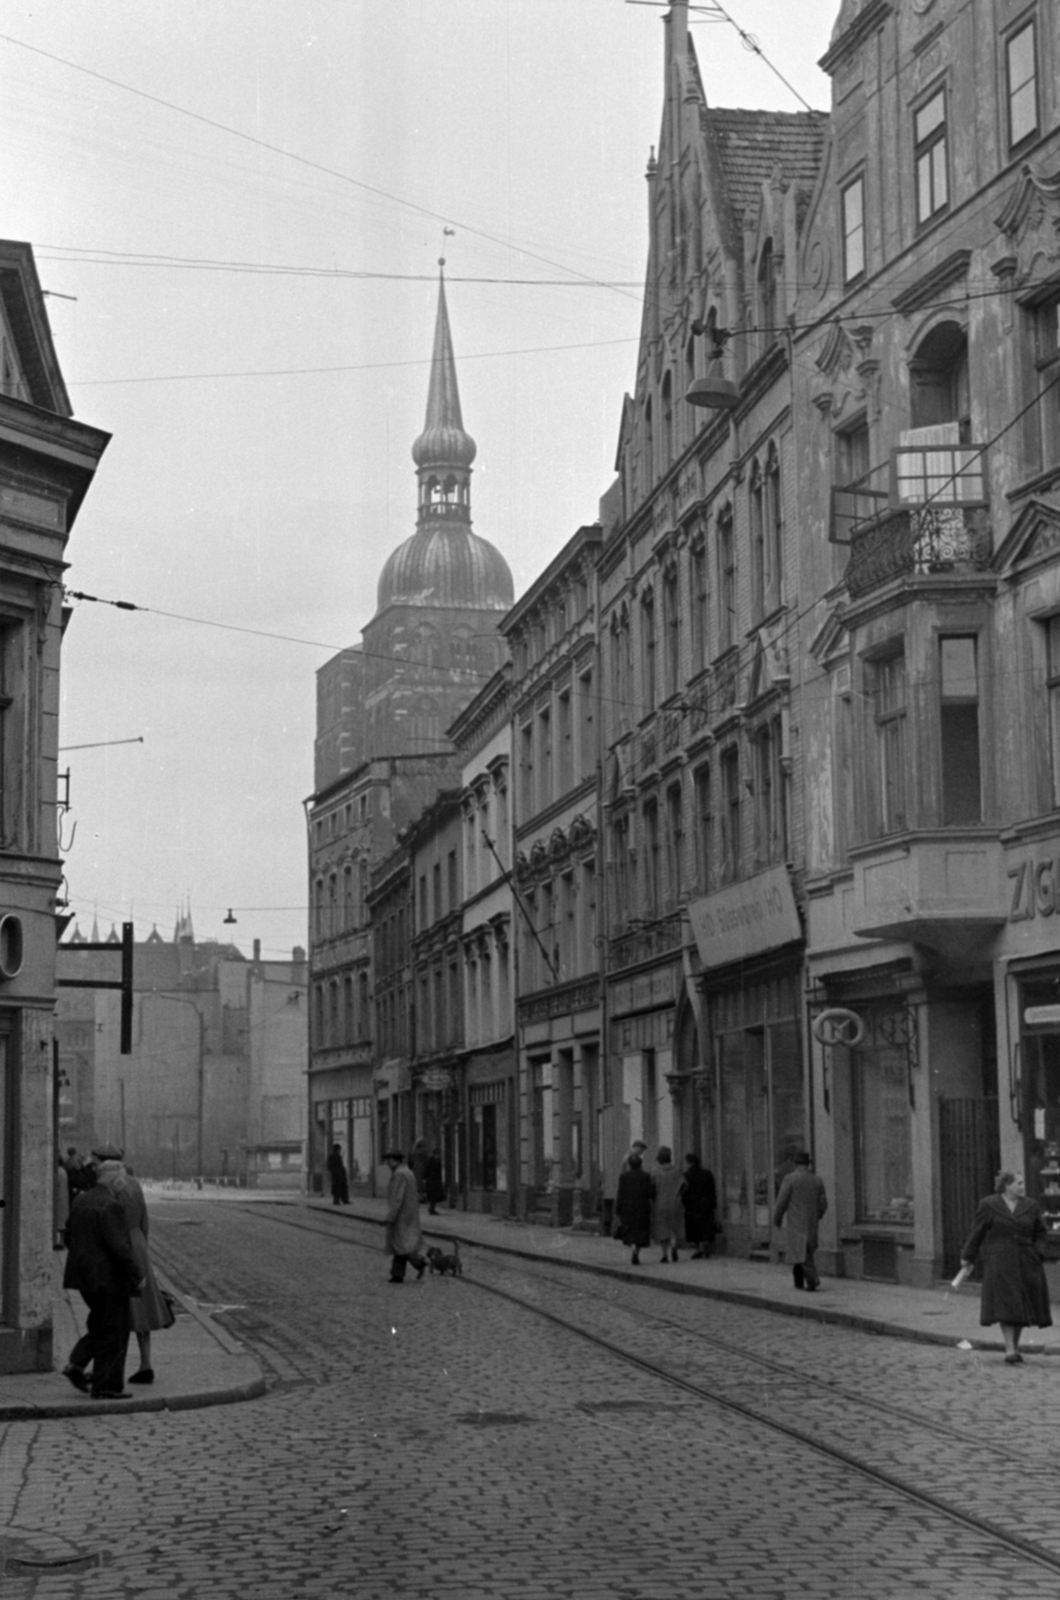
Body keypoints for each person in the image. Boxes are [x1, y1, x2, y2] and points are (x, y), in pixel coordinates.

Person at [62, 1143, 142, 1399]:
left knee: (99, 1323)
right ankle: (105, 1385)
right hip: (108, 1280)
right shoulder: (111, 1205)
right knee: (112, 1331)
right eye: (121, 1180)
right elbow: (120, 1248)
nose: (123, 1185)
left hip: (84, 1278)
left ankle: (76, 1364)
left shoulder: (82, 1199)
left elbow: (68, 1235)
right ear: (113, 1180)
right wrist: (137, 1277)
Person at [959, 1170, 1053, 1365]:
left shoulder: (1031, 1206)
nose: (1022, 1186)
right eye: (1018, 1183)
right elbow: (977, 1232)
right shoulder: (989, 1205)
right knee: (1006, 1304)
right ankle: (1010, 1349)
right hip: (1000, 1261)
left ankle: (1014, 1347)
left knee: (1019, 1306)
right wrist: (967, 1256)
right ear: (1006, 1185)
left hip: (1027, 1262)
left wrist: (1038, 1253)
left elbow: (1042, 1234)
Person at [99, 1159, 174, 1385]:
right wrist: (142, 1245)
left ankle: (113, 1370)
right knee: (143, 1309)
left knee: (120, 1311)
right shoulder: (135, 1185)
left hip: (122, 1245)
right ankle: (145, 1363)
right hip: (138, 1243)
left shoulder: (113, 1188)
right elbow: (144, 1219)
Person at [773, 1150, 828, 1291]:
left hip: (796, 1223)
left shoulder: (790, 1179)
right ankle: (799, 1283)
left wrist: (777, 1218)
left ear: (796, 1163)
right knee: (805, 1252)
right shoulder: (817, 1180)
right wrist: (817, 1215)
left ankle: (811, 1279)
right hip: (811, 1223)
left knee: (800, 1253)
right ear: (807, 1164)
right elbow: (823, 1204)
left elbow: (781, 1202)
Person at [383, 1149, 427, 1283]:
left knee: (401, 1245)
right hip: (410, 1214)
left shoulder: (399, 1175)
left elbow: (397, 1198)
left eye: (388, 1160)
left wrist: (390, 1217)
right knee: (401, 1244)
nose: (387, 1164)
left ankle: (420, 1262)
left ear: (393, 1160)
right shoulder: (408, 1172)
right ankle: (397, 1274)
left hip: (402, 1216)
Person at [615, 1151, 653, 1266]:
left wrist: (618, 1208)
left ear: (630, 1164)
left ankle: (633, 1249)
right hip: (642, 1207)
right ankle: (636, 1251)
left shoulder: (624, 1176)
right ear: (641, 1164)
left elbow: (620, 1193)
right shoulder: (646, 1176)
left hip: (628, 1208)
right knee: (641, 1231)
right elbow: (650, 1193)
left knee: (630, 1231)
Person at [681, 1152, 718, 1259]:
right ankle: (705, 1247)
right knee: (705, 1226)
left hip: (692, 1205)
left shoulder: (686, 1175)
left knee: (694, 1227)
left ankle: (698, 1249)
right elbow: (712, 1190)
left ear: (689, 1163)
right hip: (705, 1204)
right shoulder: (707, 1173)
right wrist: (713, 1204)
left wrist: (685, 1203)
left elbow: (684, 1191)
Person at [651, 1147, 685, 1263]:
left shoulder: (656, 1171)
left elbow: (652, 1187)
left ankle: (664, 1255)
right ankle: (674, 1246)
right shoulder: (677, 1170)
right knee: (674, 1227)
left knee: (662, 1229)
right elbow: (685, 1185)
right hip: (675, 1202)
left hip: (660, 1203)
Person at [425, 1147, 445, 1216]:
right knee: (432, 1195)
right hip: (431, 1180)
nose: (438, 1155)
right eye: (437, 1154)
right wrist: (426, 1178)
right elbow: (427, 1169)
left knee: (435, 1195)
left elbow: (439, 1171)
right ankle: (431, 1209)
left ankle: (432, 1208)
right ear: (434, 1154)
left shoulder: (438, 1161)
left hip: (437, 1180)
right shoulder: (430, 1160)